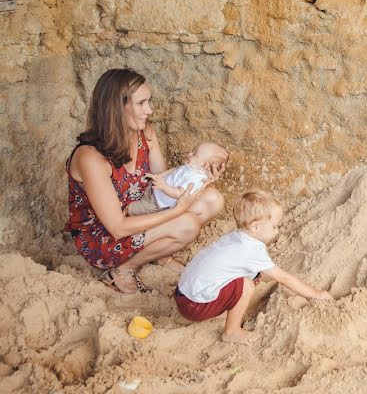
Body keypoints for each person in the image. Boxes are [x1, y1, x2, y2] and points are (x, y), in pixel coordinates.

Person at [66, 68, 225, 293]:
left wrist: (201, 178)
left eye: (148, 102)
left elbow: (163, 182)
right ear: (117, 107)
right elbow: (118, 227)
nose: (149, 110)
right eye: (141, 103)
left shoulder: (145, 134)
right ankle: (123, 270)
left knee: (213, 199)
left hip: (142, 210)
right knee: (187, 225)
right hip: (104, 236)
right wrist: (176, 213)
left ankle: (159, 254)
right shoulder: (90, 157)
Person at [174, 191, 334, 344]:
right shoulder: (252, 250)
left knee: (254, 276)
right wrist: (315, 294)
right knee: (246, 285)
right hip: (194, 306)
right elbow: (283, 278)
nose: (277, 231)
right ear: (255, 227)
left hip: (183, 296)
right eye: (275, 226)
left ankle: (222, 310)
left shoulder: (236, 237)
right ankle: (232, 332)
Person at [128, 142, 230, 216]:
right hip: (155, 189)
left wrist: (163, 186)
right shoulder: (191, 166)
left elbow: (179, 194)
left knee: (131, 209)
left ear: (205, 165)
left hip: (156, 203)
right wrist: (160, 176)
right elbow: (175, 170)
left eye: (194, 154)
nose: (190, 154)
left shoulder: (195, 179)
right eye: (192, 151)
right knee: (135, 197)